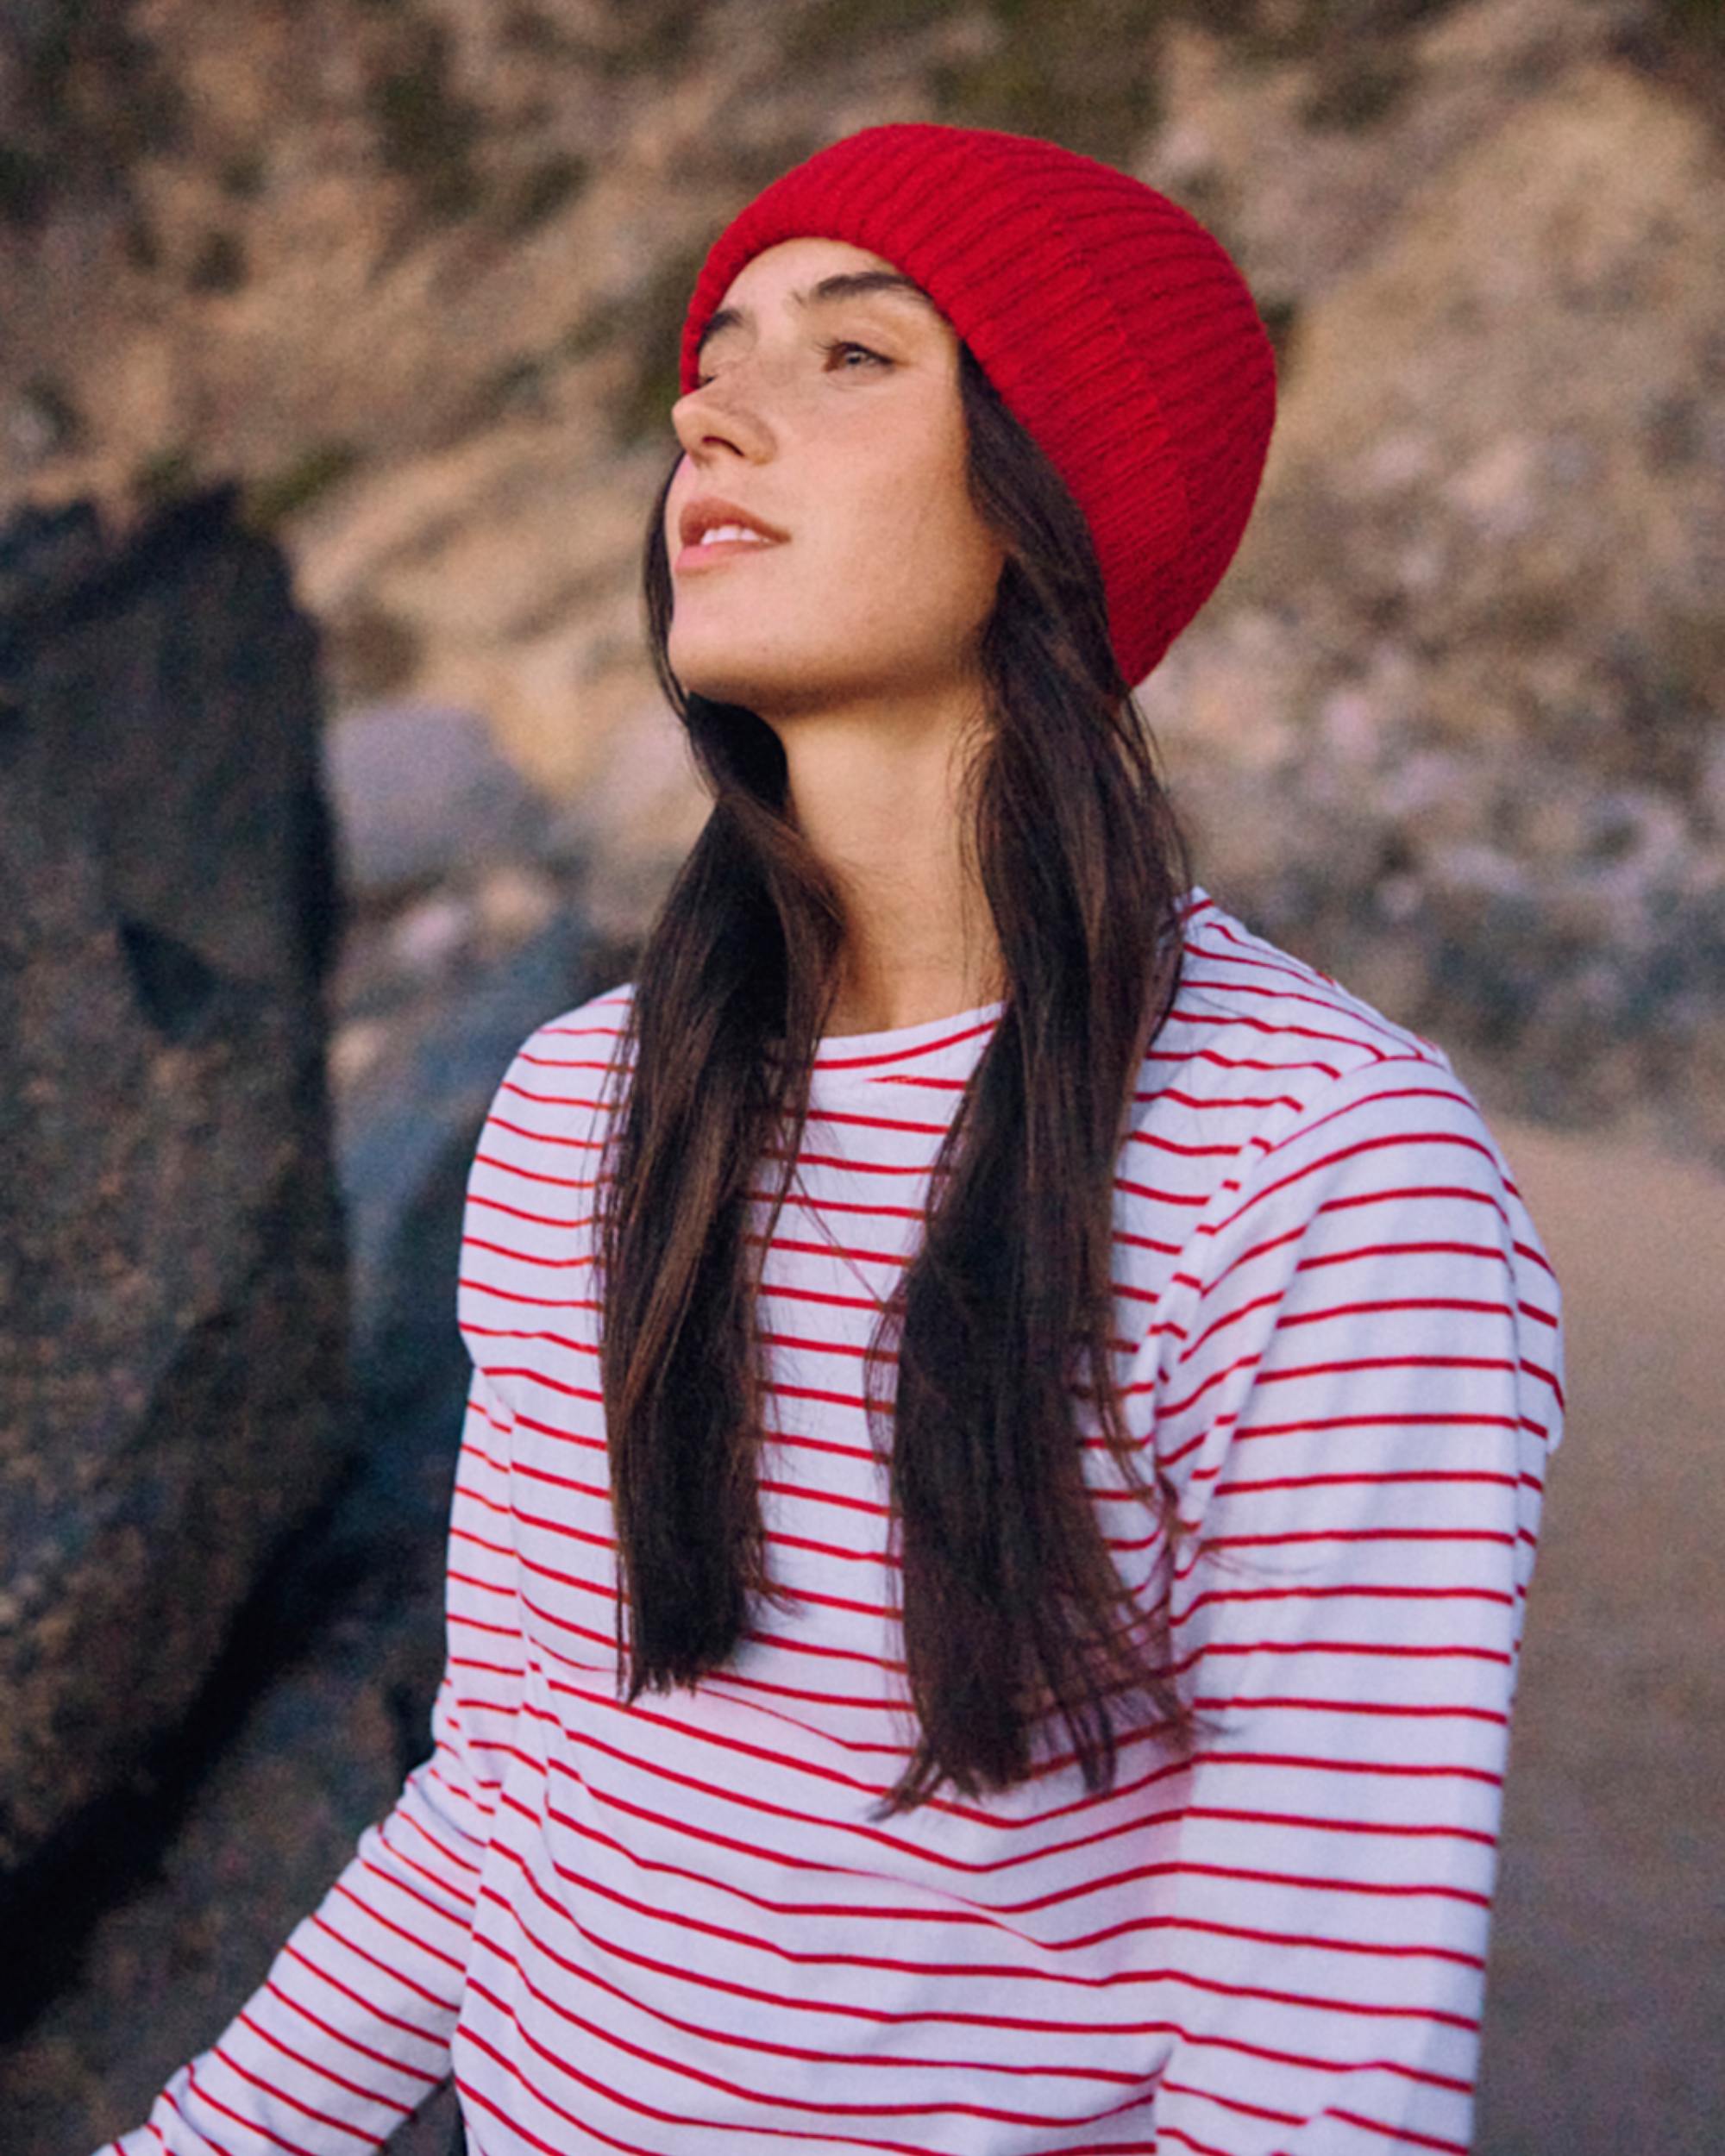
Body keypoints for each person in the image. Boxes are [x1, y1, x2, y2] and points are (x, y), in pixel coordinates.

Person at [97, 122, 1565, 2156]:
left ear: (1056, 501)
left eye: (853, 353)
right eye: (715, 356)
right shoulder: (584, 1102)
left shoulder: (1324, 1172)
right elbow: (501, 1794)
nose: (704, 410)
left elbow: (1309, 2069)